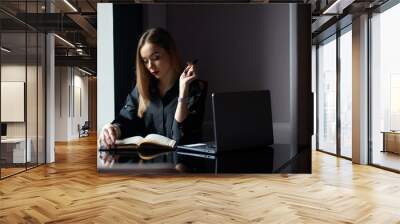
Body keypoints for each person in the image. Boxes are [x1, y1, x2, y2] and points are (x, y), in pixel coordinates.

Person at [99, 27, 207, 149]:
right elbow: (125, 120)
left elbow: (181, 139)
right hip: (147, 164)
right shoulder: (142, 89)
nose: (150, 66)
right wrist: (113, 129)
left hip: (181, 165)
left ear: (170, 53)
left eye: (156, 58)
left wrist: (182, 94)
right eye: (145, 61)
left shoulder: (195, 89)